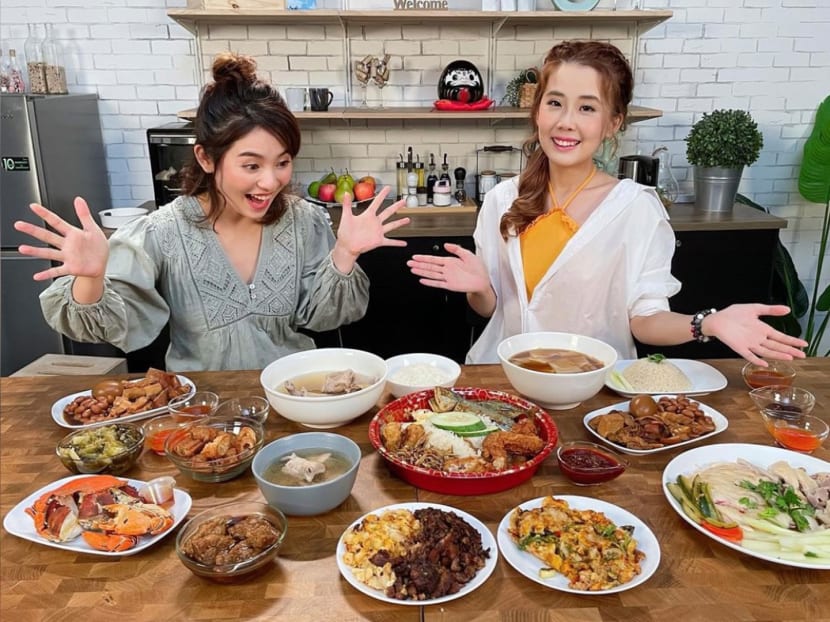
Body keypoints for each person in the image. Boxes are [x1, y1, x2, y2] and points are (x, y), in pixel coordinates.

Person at [408, 40, 806, 366]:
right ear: (537, 111)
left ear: (613, 122)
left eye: (587, 108)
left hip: (595, 391)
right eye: (554, 103)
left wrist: (707, 323)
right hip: (505, 379)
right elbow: (489, 309)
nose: (566, 121)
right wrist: (479, 288)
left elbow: (644, 320)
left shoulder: (635, 208)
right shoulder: (502, 200)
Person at [14, 52, 409, 371]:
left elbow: (324, 317)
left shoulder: (302, 220)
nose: (270, 181)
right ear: (206, 158)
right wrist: (91, 278)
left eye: (283, 162)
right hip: (202, 415)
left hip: (294, 398)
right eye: (251, 165)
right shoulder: (163, 231)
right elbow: (107, 326)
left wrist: (345, 254)